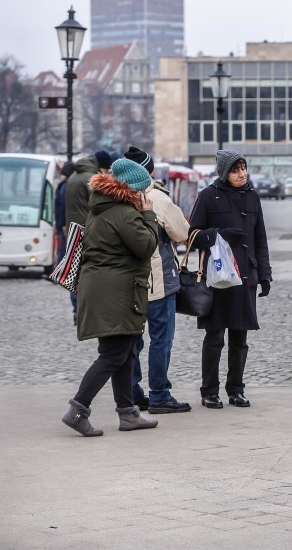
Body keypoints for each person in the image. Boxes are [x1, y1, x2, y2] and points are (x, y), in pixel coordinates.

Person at [60, 157, 160, 436]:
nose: (144, 196)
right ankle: (77, 409)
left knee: (125, 351)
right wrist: (149, 215)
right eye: (141, 190)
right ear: (131, 189)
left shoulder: (102, 207)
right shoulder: (125, 213)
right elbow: (146, 246)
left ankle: (127, 413)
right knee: (113, 355)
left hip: (106, 289)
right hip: (117, 292)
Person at [188, 150, 272, 409]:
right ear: (225, 172)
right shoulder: (208, 196)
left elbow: (261, 239)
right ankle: (209, 391)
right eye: (236, 170)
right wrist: (218, 234)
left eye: (244, 168)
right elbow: (191, 235)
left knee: (240, 338)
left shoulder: (252, 196)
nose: (241, 174)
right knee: (214, 337)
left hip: (246, 275)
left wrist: (265, 274)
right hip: (218, 277)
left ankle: (236, 389)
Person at [124, 146, 192, 414]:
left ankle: (132, 390)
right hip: (158, 280)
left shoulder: (118, 196)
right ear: (148, 170)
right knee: (161, 338)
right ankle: (160, 394)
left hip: (127, 282)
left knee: (133, 341)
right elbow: (180, 233)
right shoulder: (157, 198)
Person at [64, 151, 112, 323]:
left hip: (73, 230)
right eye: (107, 169)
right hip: (87, 231)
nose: (106, 173)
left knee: (75, 271)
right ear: (102, 166)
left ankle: (77, 310)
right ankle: (86, 311)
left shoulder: (74, 176)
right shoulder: (91, 178)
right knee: (88, 272)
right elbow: (99, 204)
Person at [53, 161, 74, 267]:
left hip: (63, 222)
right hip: (64, 222)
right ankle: (59, 272)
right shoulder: (66, 186)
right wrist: (63, 224)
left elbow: (60, 206)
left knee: (63, 248)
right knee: (64, 248)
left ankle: (59, 271)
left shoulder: (63, 185)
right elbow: (63, 205)